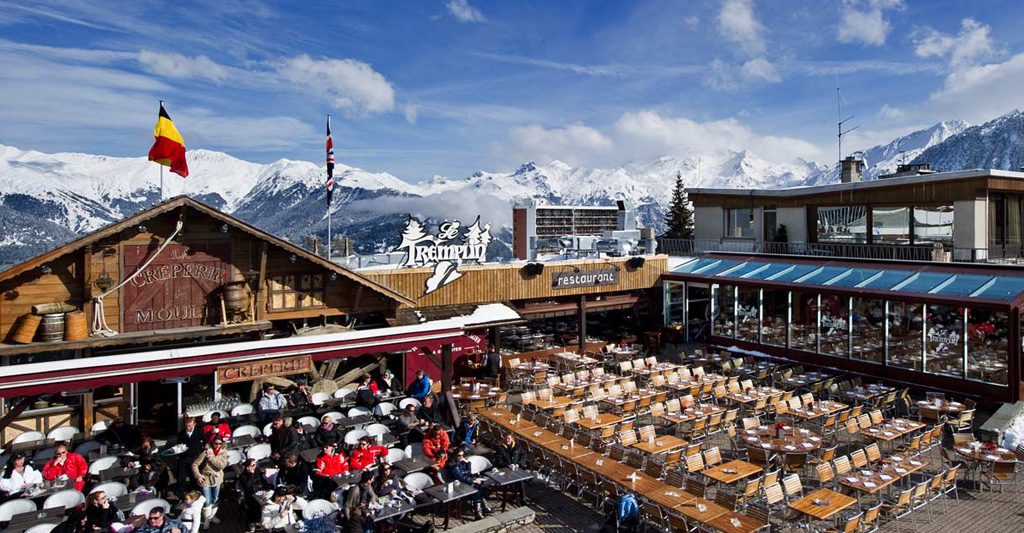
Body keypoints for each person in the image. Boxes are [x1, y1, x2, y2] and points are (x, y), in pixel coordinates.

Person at [446, 449, 492, 519]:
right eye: (459, 455)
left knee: (478, 486)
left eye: (462, 455)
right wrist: (473, 481)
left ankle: (480, 510)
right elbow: (460, 477)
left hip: (463, 482)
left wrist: (467, 463)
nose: (461, 457)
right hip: (456, 484)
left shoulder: (461, 462)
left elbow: (468, 473)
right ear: (455, 455)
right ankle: (479, 510)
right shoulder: (453, 465)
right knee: (476, 486)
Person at [191, 437, 227, 525]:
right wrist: (198, 476)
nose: (218, 446)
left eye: (220, 444)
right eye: (216, 443)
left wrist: (211, 458)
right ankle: (207, 519)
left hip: (217, 478)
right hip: (206, 478)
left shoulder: (223, 452)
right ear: (212, 443)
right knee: (207, 500)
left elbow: (222, 466)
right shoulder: (206, 452)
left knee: (215, 499)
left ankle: (212, 516)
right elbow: (195, 464)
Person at [174, 416, 205, 496]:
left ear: (194, 424)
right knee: (181, 474)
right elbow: (179, 445)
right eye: (186, 426)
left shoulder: (199, 432)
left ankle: (193, 490)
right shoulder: (181, 434)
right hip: (184, 457)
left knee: (193, 475)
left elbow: (205, 442)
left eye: (190, 426)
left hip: (195, 456)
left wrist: (204, 452)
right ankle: (181, 491)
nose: (188, 428)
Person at [236, 459, 269, 528]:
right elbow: (247, 486)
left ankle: (265, 521)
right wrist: (251, 474)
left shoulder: (257, 471)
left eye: (255, 464)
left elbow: (262, 481)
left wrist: (266, 488)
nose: (255, 466)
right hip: (249, 495)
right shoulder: (242, 476)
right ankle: (253, 522)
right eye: (253, 465)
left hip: (259, 492)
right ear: (248, 467)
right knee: (255, 505)